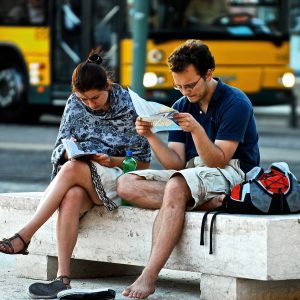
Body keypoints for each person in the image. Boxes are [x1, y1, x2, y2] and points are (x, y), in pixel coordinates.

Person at [0, 49, 151, 299]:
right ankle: (63, 278)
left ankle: (25, 236)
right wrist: (70, 153)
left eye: (95, 97)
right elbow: (58, 148)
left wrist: (110, 160)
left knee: (72, 170)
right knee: (70, 194)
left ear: (108, 86)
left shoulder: (130, 105)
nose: (90, 104)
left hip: (119, 180)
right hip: (82, 178)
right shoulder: (74, 103)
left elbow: (144, 164)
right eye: (84, 99)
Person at [117, 39, 260, 298]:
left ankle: (149, 275)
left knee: (176, 186)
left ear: (208, 74)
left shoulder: (235, 103)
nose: (185, 92)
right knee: (126, 184)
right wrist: (150, 135)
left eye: (190, 85)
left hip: (234, 171)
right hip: (192, 173)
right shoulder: (182, 104)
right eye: (178, 86)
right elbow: (176, 163)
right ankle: (204, 202)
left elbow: (218, 159)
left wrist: (195, 129)